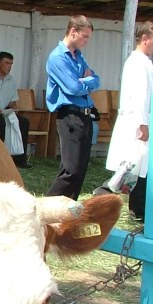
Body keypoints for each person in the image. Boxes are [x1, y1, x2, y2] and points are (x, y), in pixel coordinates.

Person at [94, 21, 153, 220]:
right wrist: (143, 124)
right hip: (137, 120)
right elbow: (140, 95)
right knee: (133, 165)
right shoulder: (137, 62)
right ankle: (105, 193)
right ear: (144, 38)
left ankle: (137, 208)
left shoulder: (144, 62)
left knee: (140, 167)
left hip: (142, 119)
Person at [45, 15, 100, 199]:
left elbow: (96, 80)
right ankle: (49, 207)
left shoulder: (78, 56)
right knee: (71, 169)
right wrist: (86, 81)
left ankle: (68, 208)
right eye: (85, 36)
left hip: (85, 115)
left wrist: (85, 81)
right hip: (70, 115)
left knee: (80, 169)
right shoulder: (57, 57)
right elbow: (73, 88)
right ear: (73, 31)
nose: (87, 41)